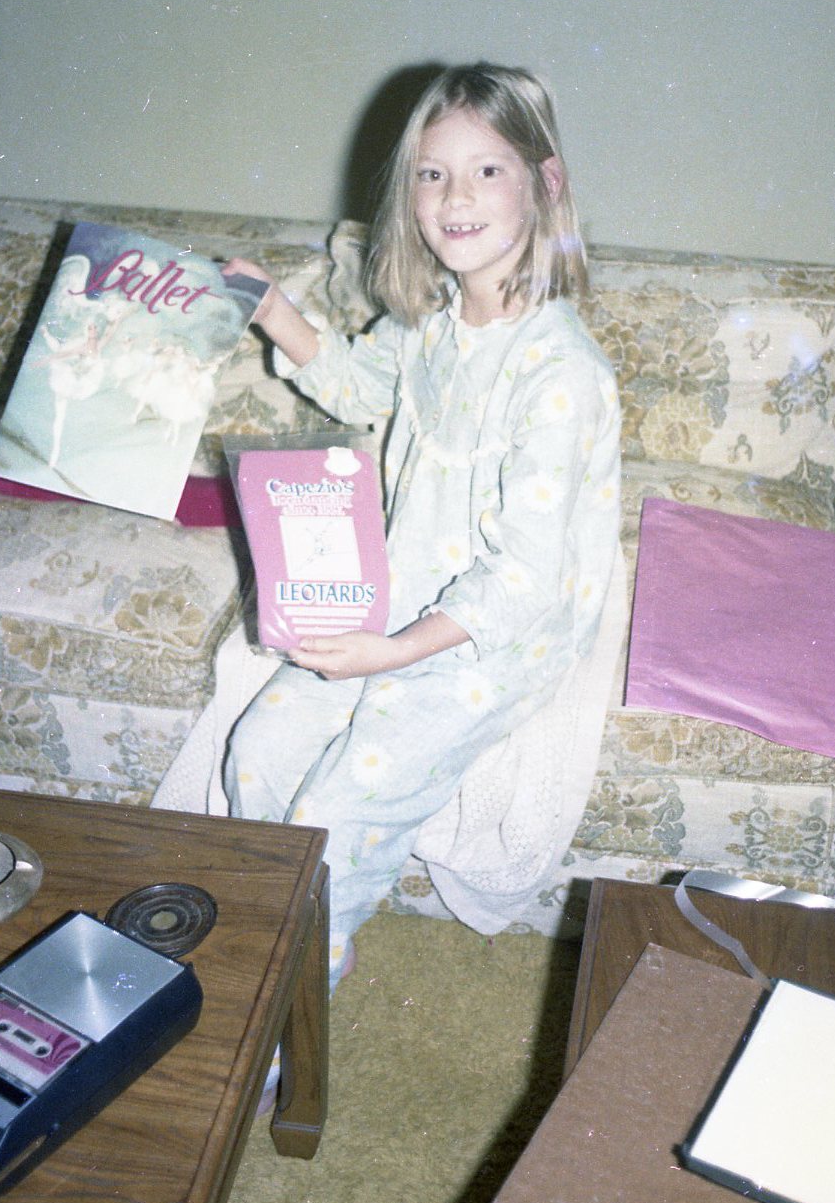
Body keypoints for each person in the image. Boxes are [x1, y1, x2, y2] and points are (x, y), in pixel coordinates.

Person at [222, 62, 621, 988]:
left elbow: (522, 582)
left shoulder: (559, 371)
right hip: (402, 585)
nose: (455, 197)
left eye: (486, 171)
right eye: (432, 173)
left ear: (544, 183)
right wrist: (272, 308)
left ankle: (297, 988)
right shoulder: (434, 316)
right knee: (259, 750)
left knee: (340, 808)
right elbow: (360, 387)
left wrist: (392, 653)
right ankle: (283, 932)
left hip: (495, 633)